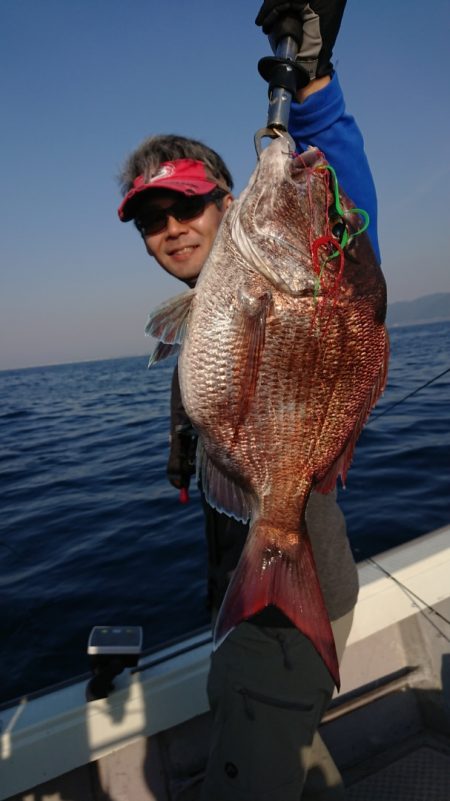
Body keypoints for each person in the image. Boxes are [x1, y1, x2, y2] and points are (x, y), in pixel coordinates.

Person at [118, 3, 379, 797]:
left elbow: (348, 204)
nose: (169, 228)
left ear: (229, 203)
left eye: (186, 205)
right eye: (150, 219)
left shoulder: (301, 270)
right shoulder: (208, 309)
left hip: (281, 609)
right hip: (254, 591)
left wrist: (316, 80)